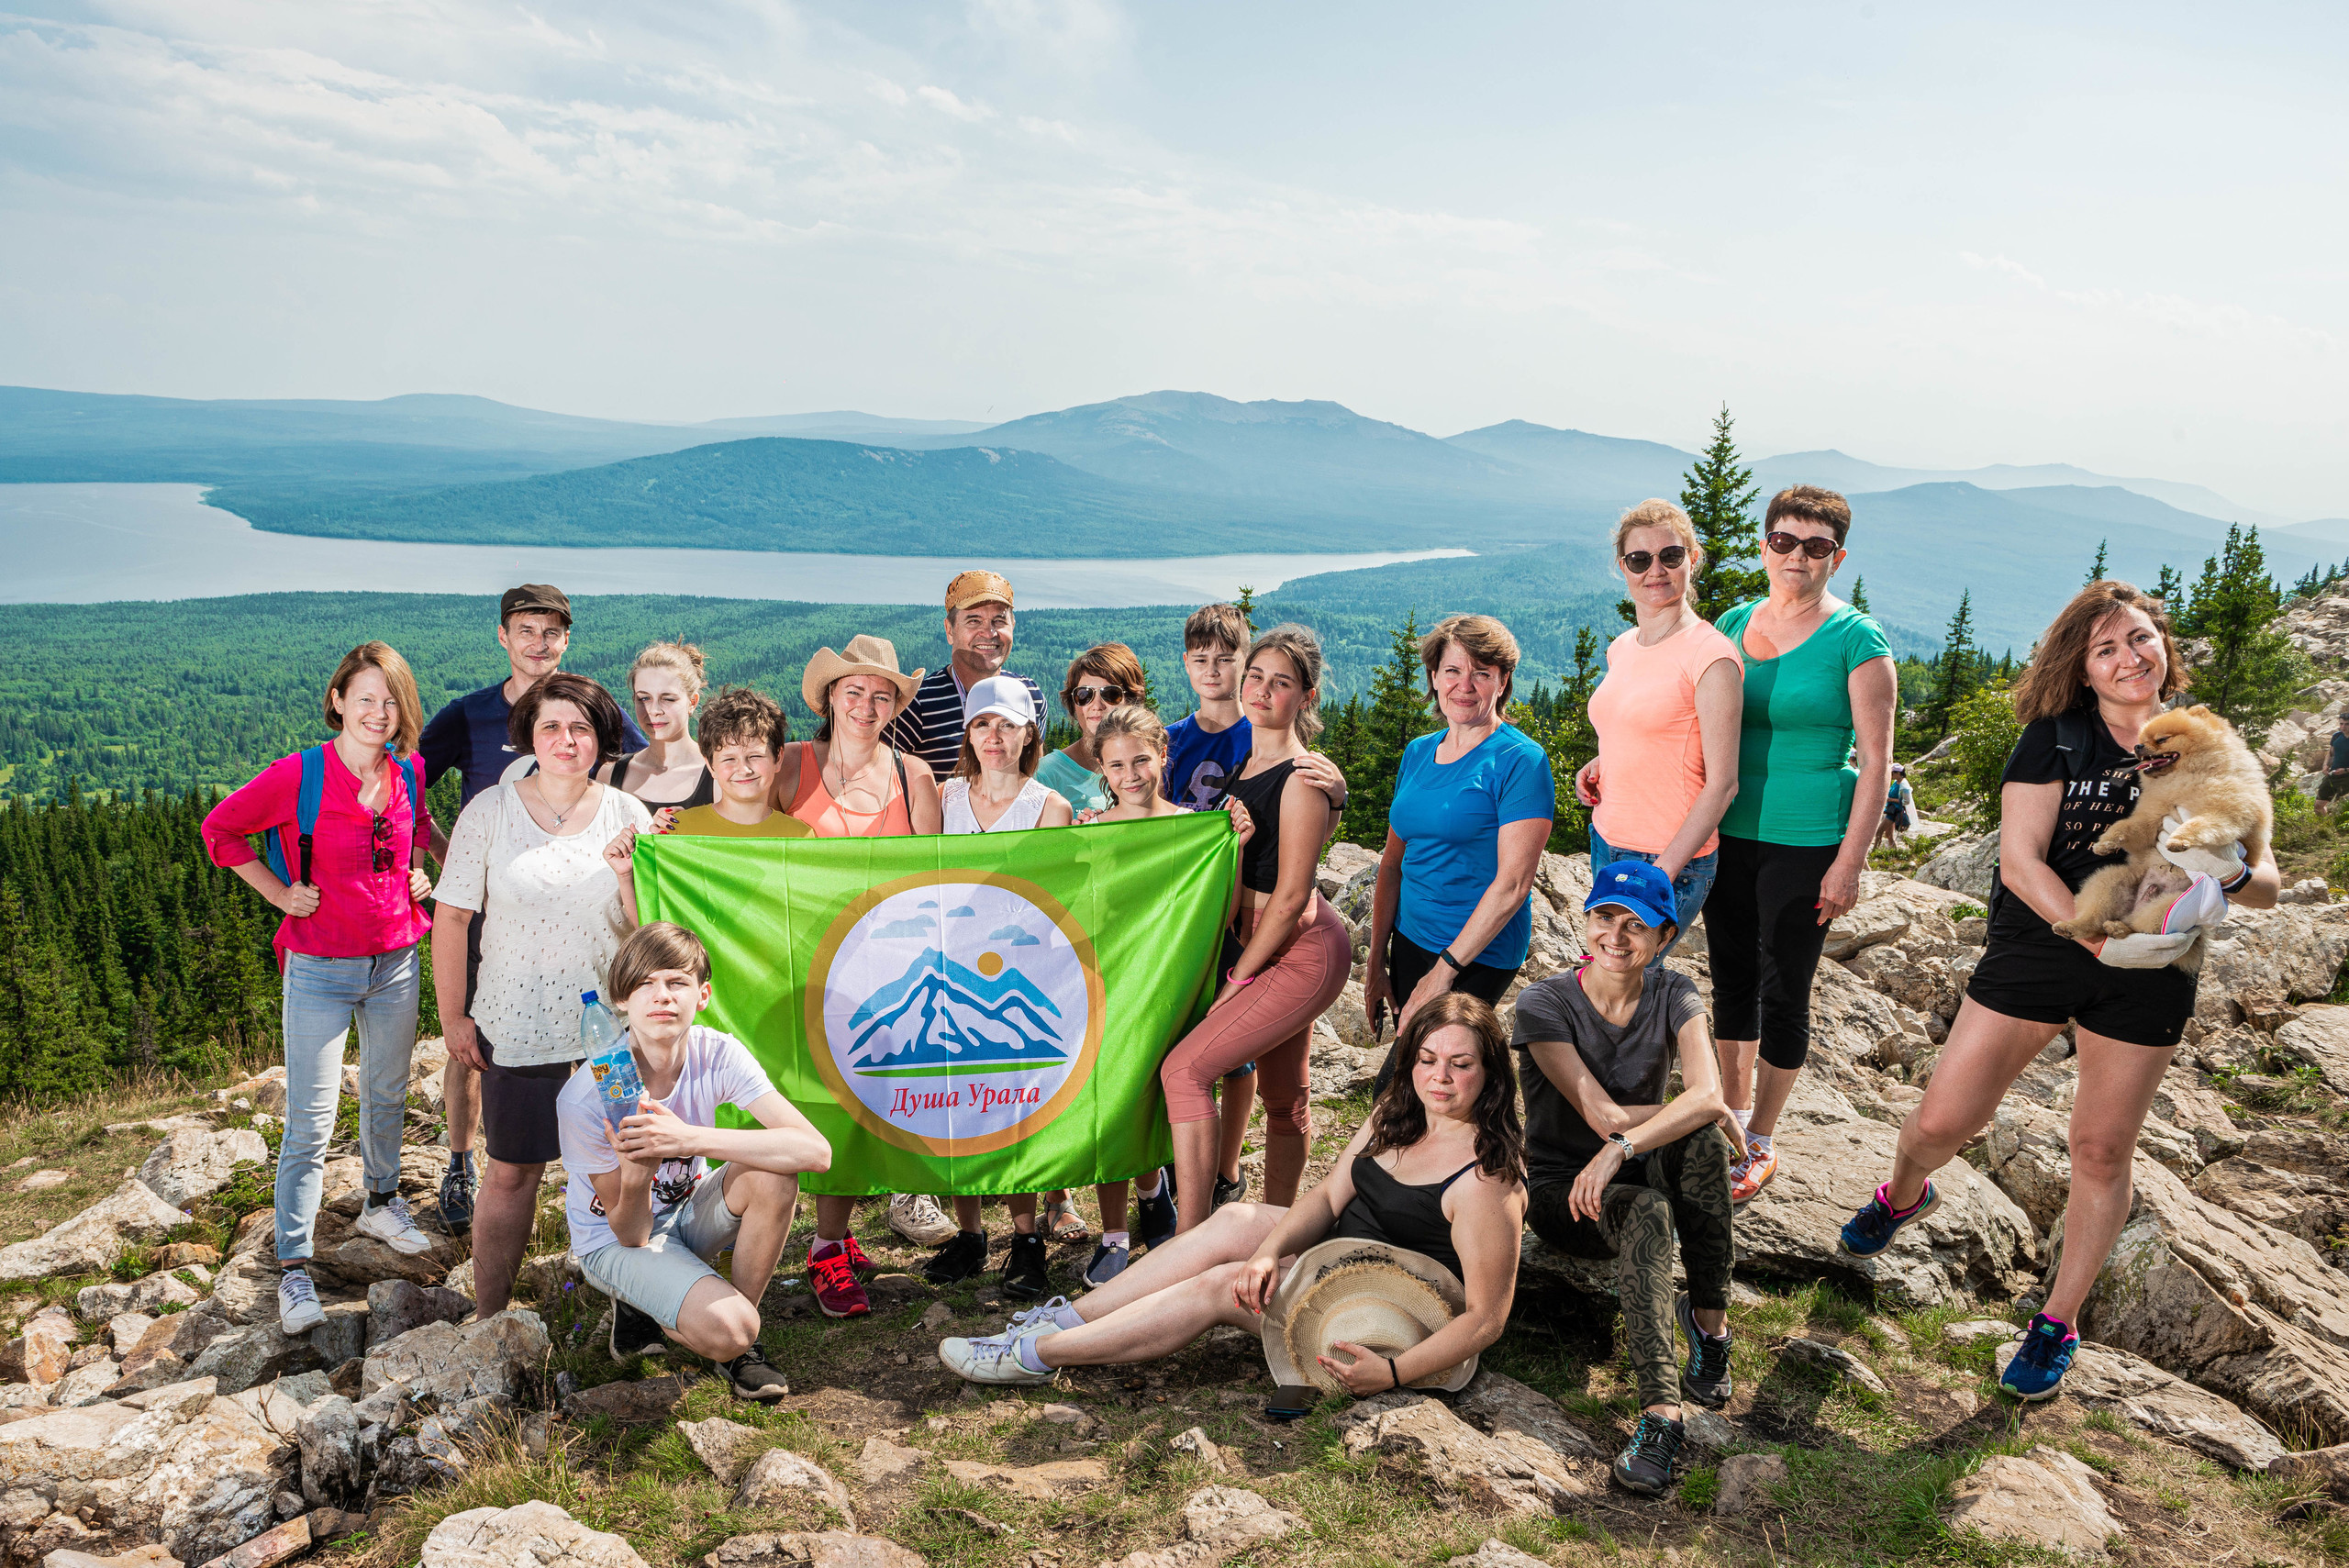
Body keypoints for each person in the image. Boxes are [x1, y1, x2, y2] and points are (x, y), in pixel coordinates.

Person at [1839, 579, 2276, 1402]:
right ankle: (1903, 1194)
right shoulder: (2056, 739)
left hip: (2157, 961)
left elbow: (2269, 888)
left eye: (2140, 638)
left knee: (2101, 1149)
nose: (2128, 657)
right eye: (2106, 648)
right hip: (2045, 942)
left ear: (2164, 647)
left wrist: (2235, 868)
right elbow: (2020, 862)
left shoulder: (2208, 740)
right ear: (2084, 670)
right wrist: (2091, 933)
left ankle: (2056, 1321)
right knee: (1942, 1120)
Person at [934, 993, 1525, 1393]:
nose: (1440, 1077)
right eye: (1427, 1059)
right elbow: (1324, 1202)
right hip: (1345, 1266)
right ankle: (1056, 1322)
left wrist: (1393, 1373)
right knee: (1239, 1221)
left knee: (1223, 1287)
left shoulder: (1486, 1179)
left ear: (1490, 1073)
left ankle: (1035, 1358)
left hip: (1390, 1326)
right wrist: (1269, 1251)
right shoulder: (1397, 1116)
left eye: (1460, 1064)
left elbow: (1484, 1319)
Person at [201, 642, 440, 1335]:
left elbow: (410, 834)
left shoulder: (410, 770)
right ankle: (296, 1269)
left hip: (396, 959)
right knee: (311, 1121)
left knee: (388, 1091)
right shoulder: (299, 775)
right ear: (337, 699)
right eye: (364, 697)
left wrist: (417, 873)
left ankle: (381, 1199)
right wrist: (281, 893)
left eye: (391, 699)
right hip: (320, 970)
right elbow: (222, 830)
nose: (379, 711)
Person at [418, 584, 645, 1235]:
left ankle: (618, 1260)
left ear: (565, 639)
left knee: (613, 1137)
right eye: (525, 629)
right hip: (499, 906)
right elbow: (409, 787)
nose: (538, 642)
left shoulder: (587, 709)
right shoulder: (468, 716)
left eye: (551, 631)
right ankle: (460, 1160)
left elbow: (634, 762)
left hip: (590, 918)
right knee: (483, 1061)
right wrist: (438, 854)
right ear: (503, 635)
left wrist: (642, 830)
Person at [1513, 860, 1736, 1496]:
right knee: (1655, 1198)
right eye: (1606, 916)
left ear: (1665, 937)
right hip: (1564, 1192)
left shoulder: (1675, 992)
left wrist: (1624, 1145)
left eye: (1638, 924)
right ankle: (1662, 1414)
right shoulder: (1545, 1002)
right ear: (1586, 922)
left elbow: (1702, 1095)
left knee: (1699, 1140)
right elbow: (1606, 1111)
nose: (1618, 933)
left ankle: (1711, 1331)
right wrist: (1701, 1105)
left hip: (1628, 1164)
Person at [1708, 487, 1898, 1204]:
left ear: (1837, 556)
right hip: (1728, 831)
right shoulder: (1731, 621)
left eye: (1816, 546)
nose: (1797, 556)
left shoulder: (1857, 639)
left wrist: (1850, 862)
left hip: (1808, 838)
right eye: (1784, 541)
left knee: (1784, 987)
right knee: (1730, 977)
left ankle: (1761, 1133)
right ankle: (1728, 1114)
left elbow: (1877, 762)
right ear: (1764, 545)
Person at [557, 922, 829, 1399]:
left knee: (775, 1174)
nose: (662, 996)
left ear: (701, 996)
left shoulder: (717, 1053)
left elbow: (815, 1152)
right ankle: (647, 1299)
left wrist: (687, 1139)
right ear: (620, 1000)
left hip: (685, 1212)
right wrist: (638, 1175)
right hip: (616, 1240)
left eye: (677, 982)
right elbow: (631, 1233)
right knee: (729, 1326)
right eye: (645, 983)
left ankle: (739, 1343)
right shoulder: (587, 1097)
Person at [1162, 625, 1352, 1233]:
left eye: (1283, 682)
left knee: (1185, 1070)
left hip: (1296, 948)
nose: (1265, 690)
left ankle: (1190, 1238)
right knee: (1284, 1097)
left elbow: (1294, 895)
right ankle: (1278, 1233)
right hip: (1255, 941)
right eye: (1257, 678)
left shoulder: (1302, 776)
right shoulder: (1247, 759)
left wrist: (1237, 978)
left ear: (1308, 696)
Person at [780, 636, 945, 1318]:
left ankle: (832, 1238)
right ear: (828, 698)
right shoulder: (790, 766)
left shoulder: (915, 777)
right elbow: (738, 840)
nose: (867, 704)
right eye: (854, 690)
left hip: (888, 967)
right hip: (802, 964)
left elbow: (934, 876)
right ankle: (826, 1247)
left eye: (882, 694)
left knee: (864, 1100)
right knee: (825, 1102)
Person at [921, 674, 1074, 1298]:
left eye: (1007, 724)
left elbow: (1053, 898)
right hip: (948, 966)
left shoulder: (1050, 806)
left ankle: (1026, 1236)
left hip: (1018, 971)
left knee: (1015, 1107)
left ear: (1029, 733)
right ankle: (969, 1232)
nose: (994, 736)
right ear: (967, 730)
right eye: (982, 723)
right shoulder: (944, 795)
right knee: (956, 1101)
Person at [1366, 615, 1555, 1084]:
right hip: (1411, 940)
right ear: (1433, 677)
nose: (1464, 686)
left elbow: (1512, 885)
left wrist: (1444, 972)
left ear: (1503, 681)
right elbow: (1393, 864)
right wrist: (1375, 963)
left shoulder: (1520, 761)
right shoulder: (1418, 752)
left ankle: (1488, 1153)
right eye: (1452, 671)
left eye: (1481, 673)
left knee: (1404, 1084)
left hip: (1477, 953)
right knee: (1431, 1082)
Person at [1575, 501, 1743, 961]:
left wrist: (1661, 874)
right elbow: (1643, 727)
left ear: (1693, 558)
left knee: (1622, 987)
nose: (1656, 570)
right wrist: (1602, 762)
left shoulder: (1711, 657)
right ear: (1623, 567)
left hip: (1668, 858)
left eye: (1670, 556)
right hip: (1607, 840)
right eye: (1639, 559)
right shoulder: (1623, 647)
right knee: (1609, 984)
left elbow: (1724, 783)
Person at [1068, 704, 1193, 1287]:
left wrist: (1233, 837)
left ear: (1163, 757)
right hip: (1109, 984)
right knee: (1110, 1105)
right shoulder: (1096, 829)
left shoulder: (1193, 828)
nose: (1131, 774)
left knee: (1154, 1100)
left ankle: (1155, 1187)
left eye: (1141, 759)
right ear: (1101, 768)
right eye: (1116, 764)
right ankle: (1115, 1231)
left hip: (1168, 987)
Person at [885, 570, 1048, 779]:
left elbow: (1034, 775)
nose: (989, 633)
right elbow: (882, 782)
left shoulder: (1030, 694)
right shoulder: (918, 703)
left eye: (999, 621)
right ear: (949, 630)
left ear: (1013, 626)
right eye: (974, 621)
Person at [669, 686, 813, 840]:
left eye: (755, 756)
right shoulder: (679, 830)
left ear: (778, 758)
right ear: (711, 766)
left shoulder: (800, 836)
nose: (744, 770)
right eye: (729, 759)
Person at [600, 642, 714, 812]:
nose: (654, 710)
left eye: (668, 699)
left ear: (692, 702)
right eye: (644, 698)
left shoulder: (718, 774)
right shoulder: (609, 774)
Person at [1874, 764, 1918, 852]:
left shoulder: (1904, 785)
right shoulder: (1896, 782)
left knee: (1879, 832)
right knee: (1888, 835)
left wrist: (1890, 799)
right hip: (1891, 810)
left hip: (1895, 812)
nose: (1891, 775)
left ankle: (1874, 851)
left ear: (1898, 773)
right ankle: (1894, 851)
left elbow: (1906, 801)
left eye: (1892, 773)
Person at [2319, 710, 2349, 816]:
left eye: (2346, 724)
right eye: (2341, 724)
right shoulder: (2336, 736)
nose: (2343, 727)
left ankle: (2337, 829)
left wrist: (2345, 770)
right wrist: (2325, 765)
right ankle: (2323, 827)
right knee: (2318, 805)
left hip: (2347, 778)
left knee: (2341, 809)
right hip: (2333, 774)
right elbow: (2330, 753)